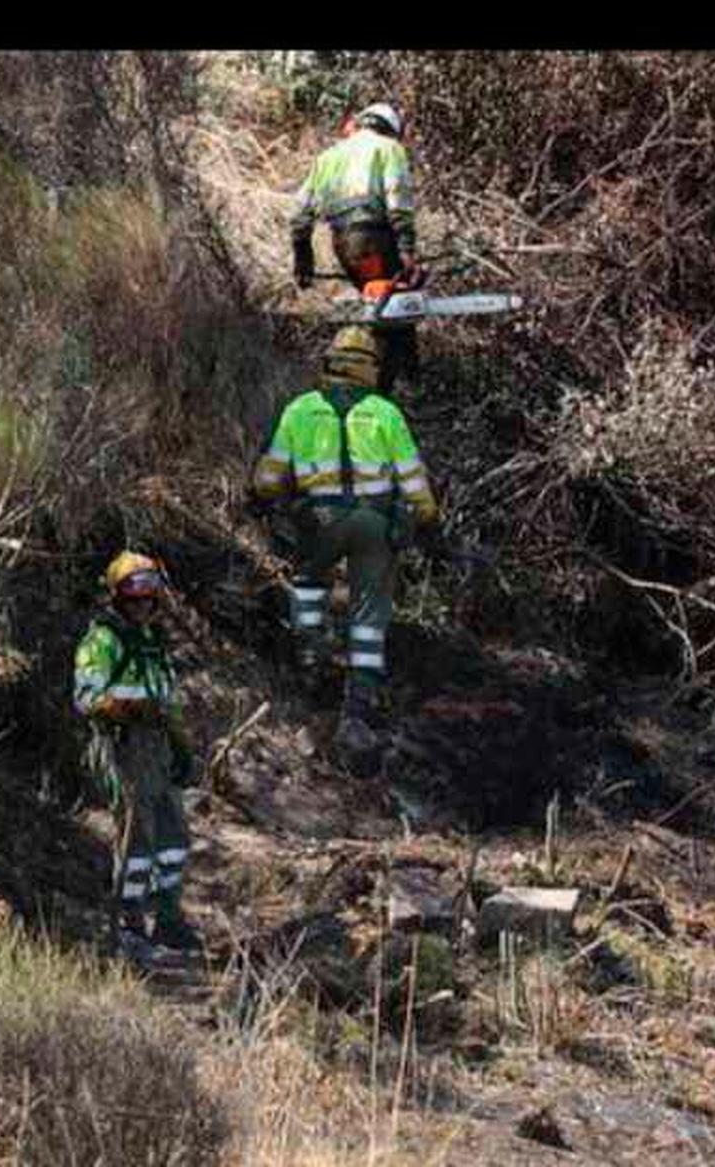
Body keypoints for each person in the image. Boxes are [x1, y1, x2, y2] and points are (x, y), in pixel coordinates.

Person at [249, 324, 440, 750]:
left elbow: (268, 477)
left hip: (318, 519)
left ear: (331, 363)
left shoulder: (300, 410)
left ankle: (312, 663)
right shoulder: (386, 413)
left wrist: (267, 497)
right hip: (375, 523)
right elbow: (414, 481)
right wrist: (427, 517)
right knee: (370, 614)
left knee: (310, 585)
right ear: (371, 368)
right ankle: (360, 703)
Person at [73, 552, 202, 964]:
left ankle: (167, 918)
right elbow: (86, 698)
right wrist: (128, 710)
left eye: (150, 593)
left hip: (158, 748)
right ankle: (129, 927)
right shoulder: (102, 640)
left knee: (174, 837)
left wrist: (182, 750)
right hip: (122, 745)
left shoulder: (153, 642)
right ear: (117, 596)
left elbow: (169, 703)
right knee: (137, 839)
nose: (144, 602)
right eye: (135, 593)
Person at [290, 101, 422, 391]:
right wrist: (407, 250)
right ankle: (393, 386)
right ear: (391, 130)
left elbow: (300, 213)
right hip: (374, 239)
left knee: (379, 305)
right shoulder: (388, 149)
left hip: (343, 244)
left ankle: (377, 378)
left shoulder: (327, 157)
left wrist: (303, 256)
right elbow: (398, 202)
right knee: (397, 311)